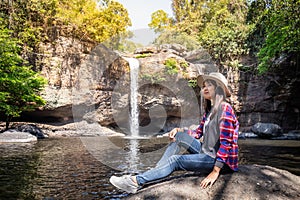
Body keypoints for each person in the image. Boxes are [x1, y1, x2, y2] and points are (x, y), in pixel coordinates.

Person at [109, 72, 239, 194]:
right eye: (203, 86)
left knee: (175, 161)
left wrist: (216, 171)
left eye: (209, 85)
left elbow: (226, 143)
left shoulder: (224, 109)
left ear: (219, 89)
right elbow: (198, 133)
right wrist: (180, 130)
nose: (204, 88)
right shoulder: (210, 111)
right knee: (178, 137)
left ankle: (135, 181)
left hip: (219, 160)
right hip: (207, 153)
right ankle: (156, 171)